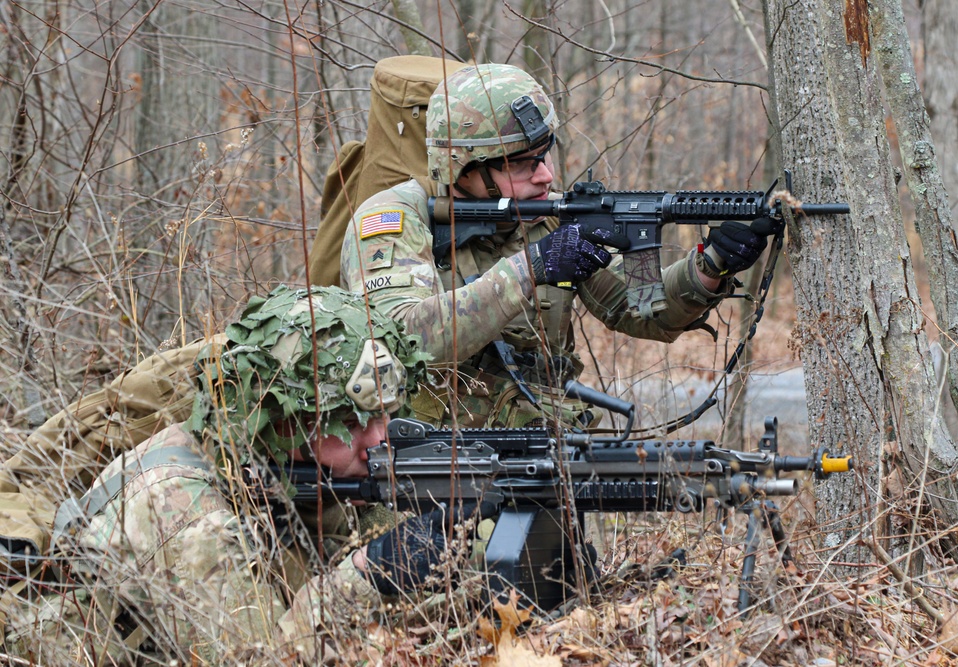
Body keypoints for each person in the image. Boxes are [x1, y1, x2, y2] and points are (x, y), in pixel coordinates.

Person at [3, 285, 489, 664]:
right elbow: (259, 658)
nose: (379, 440)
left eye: (384, 416)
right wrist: (368, 575)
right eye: (355, 422)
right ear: (285, 421)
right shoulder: (180, 507)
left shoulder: (293, 470)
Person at [339, 63, 777, 429]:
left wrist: (709, 267)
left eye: (546, 155)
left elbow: (637, 308)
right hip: (438, 456)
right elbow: (404, 338)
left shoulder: (546, 213)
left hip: (548, 439)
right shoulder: (395, 220)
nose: (546, 175)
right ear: (462, 167)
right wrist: (531, 268)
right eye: (525, 164)